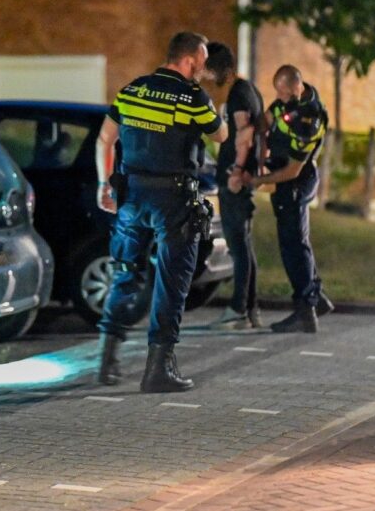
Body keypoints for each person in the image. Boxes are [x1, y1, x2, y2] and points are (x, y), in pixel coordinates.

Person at [96, 32, 227, 392]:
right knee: (171, 282)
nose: (204, 68)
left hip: (131, 195)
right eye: (202, 62)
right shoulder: (192, 97)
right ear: (190, 60)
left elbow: (106, 138)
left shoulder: (132, 90)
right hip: (173, 200)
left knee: (125, 273)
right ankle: (158, 369)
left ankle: (107, 360)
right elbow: (221, 136)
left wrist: (104, 184)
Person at [243, 65, 334, 333]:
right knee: (298, 241)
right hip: (287, 177)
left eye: (283, 93)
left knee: (293, 246)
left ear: (297, 87)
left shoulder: (309, 118)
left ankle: (305, 311)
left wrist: (258, 180)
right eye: (278, 93)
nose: (279, 98)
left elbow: (293, 170)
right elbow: (267, 120)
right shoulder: (288, 101)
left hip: (296, 181)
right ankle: (316, 298)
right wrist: (253, 132)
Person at [203, 42, 264, 330]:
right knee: (244, 246)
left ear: (218, 69)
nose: (206, 76)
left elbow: (244, 135)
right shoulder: (249, 90)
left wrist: (237, 171)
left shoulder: (239, 93)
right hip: (241, 177)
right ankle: (250, 309)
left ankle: (239, 309)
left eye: (207, 70)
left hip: (235, 179)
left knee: (238, 247)